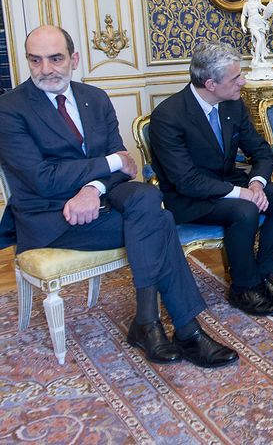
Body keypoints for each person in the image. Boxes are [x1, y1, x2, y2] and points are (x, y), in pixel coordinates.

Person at [0, 26, 237, 368]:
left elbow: (124, 169)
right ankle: (181, 330)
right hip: (51, 216)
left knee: (143, 197)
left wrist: (92, 188)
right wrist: (108, 164)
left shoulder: (94, 99)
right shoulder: (10, 108)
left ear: (74, 59)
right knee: (161, 220)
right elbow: (43, 179)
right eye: (35, 61)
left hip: (100, 200)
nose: (45, 69)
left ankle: (150, 324)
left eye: (55, 59)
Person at [149, 42, 273, 317]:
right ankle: (244, 287)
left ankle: (266, 276)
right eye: (235, 77)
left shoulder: (232, 105)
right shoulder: (168, 116)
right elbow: (186, 181)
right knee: (244, 209)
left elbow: (261, 152)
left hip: (230, 184)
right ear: (211, 83)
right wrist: (242, 194)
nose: (242, 81)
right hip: (189, 198)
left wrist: (255, 184)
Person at [241, 0, 269, 66]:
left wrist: (271, 8)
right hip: (252, 23)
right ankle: (256, 58)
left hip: (259, 22)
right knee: (259, 39)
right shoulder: (246, 4)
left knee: (262, 40)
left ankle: (262, 58)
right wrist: (243, 26)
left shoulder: (258, 3)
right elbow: (243, 15)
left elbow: (265, 9)